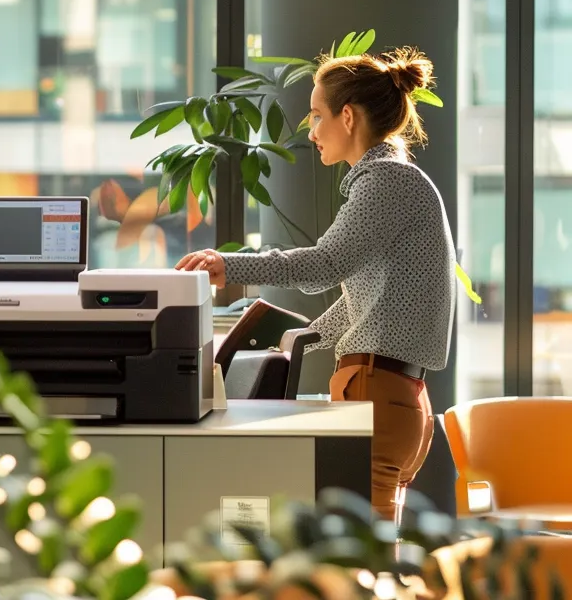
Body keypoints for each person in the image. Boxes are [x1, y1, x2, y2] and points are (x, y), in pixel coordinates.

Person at [176, 45, 454, 521]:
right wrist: (301, 336)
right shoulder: (398, 181)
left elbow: (325, 265)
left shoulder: (386, 181)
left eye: (316, 115)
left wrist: (231, 266)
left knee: (357, 563)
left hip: (378, 393)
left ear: (347, 117)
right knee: (362, 554)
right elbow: (371, 300)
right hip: (394, 398)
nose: (311, 129)